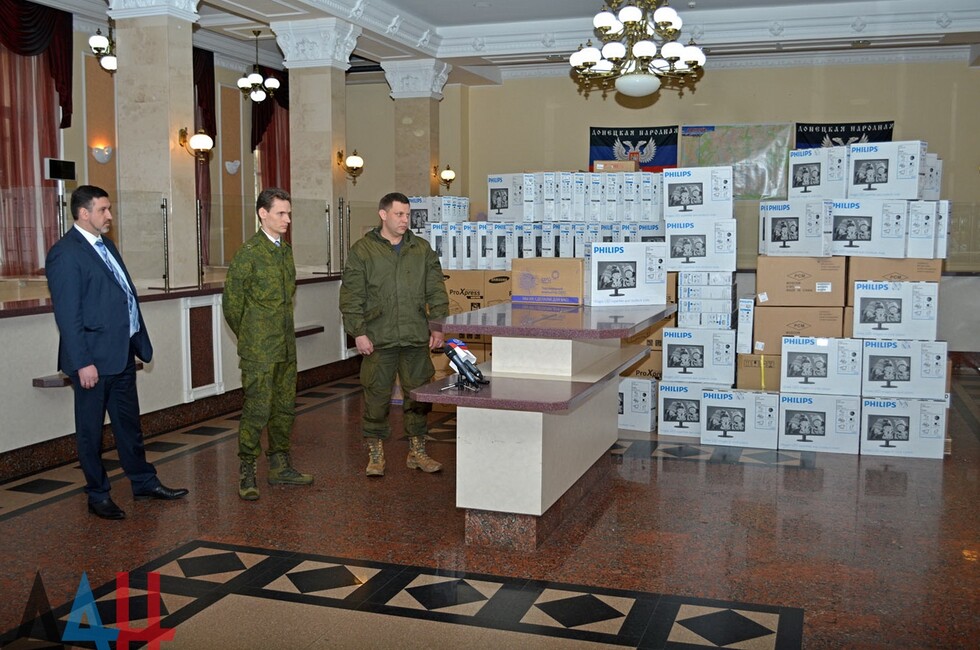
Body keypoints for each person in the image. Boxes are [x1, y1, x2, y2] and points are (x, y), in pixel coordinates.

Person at [45, 185, 188, 519]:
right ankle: (97, 494)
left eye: (109, 209)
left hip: (121, 353)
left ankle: (143, 482)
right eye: (103, 210)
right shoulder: (65, 253)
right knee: (91, 432)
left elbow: (122, 294)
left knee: (128, 425)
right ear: (84, 213)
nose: (110, 215)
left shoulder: (106, 245)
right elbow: (68, 315)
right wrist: (83, 362)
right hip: (92, 360)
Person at [339, 192, 449, 477]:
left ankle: (417, 451)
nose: (405, 220)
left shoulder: (421, 249)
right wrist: (358, 333)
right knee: (376, 397)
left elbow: (436, 290)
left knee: (419, 397)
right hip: (379, 338)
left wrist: (438, 325)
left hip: (414, 335)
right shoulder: (363, 251)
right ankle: (376, 454)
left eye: (407, 215)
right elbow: (351, 296)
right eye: (399, 214)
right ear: (383, 214)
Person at [222, 188, 313, 500]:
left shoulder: (284, 251)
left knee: (284, 407)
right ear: (263, 214)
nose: (287, 219)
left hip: (285, 345)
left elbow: (288, 297)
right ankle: (247, 468)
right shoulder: (248, 253)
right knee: (257, 408)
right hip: (259, 349)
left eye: (289, 213)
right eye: (281, 213)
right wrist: (252, 335)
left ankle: (279, 464)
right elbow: (232, 305)